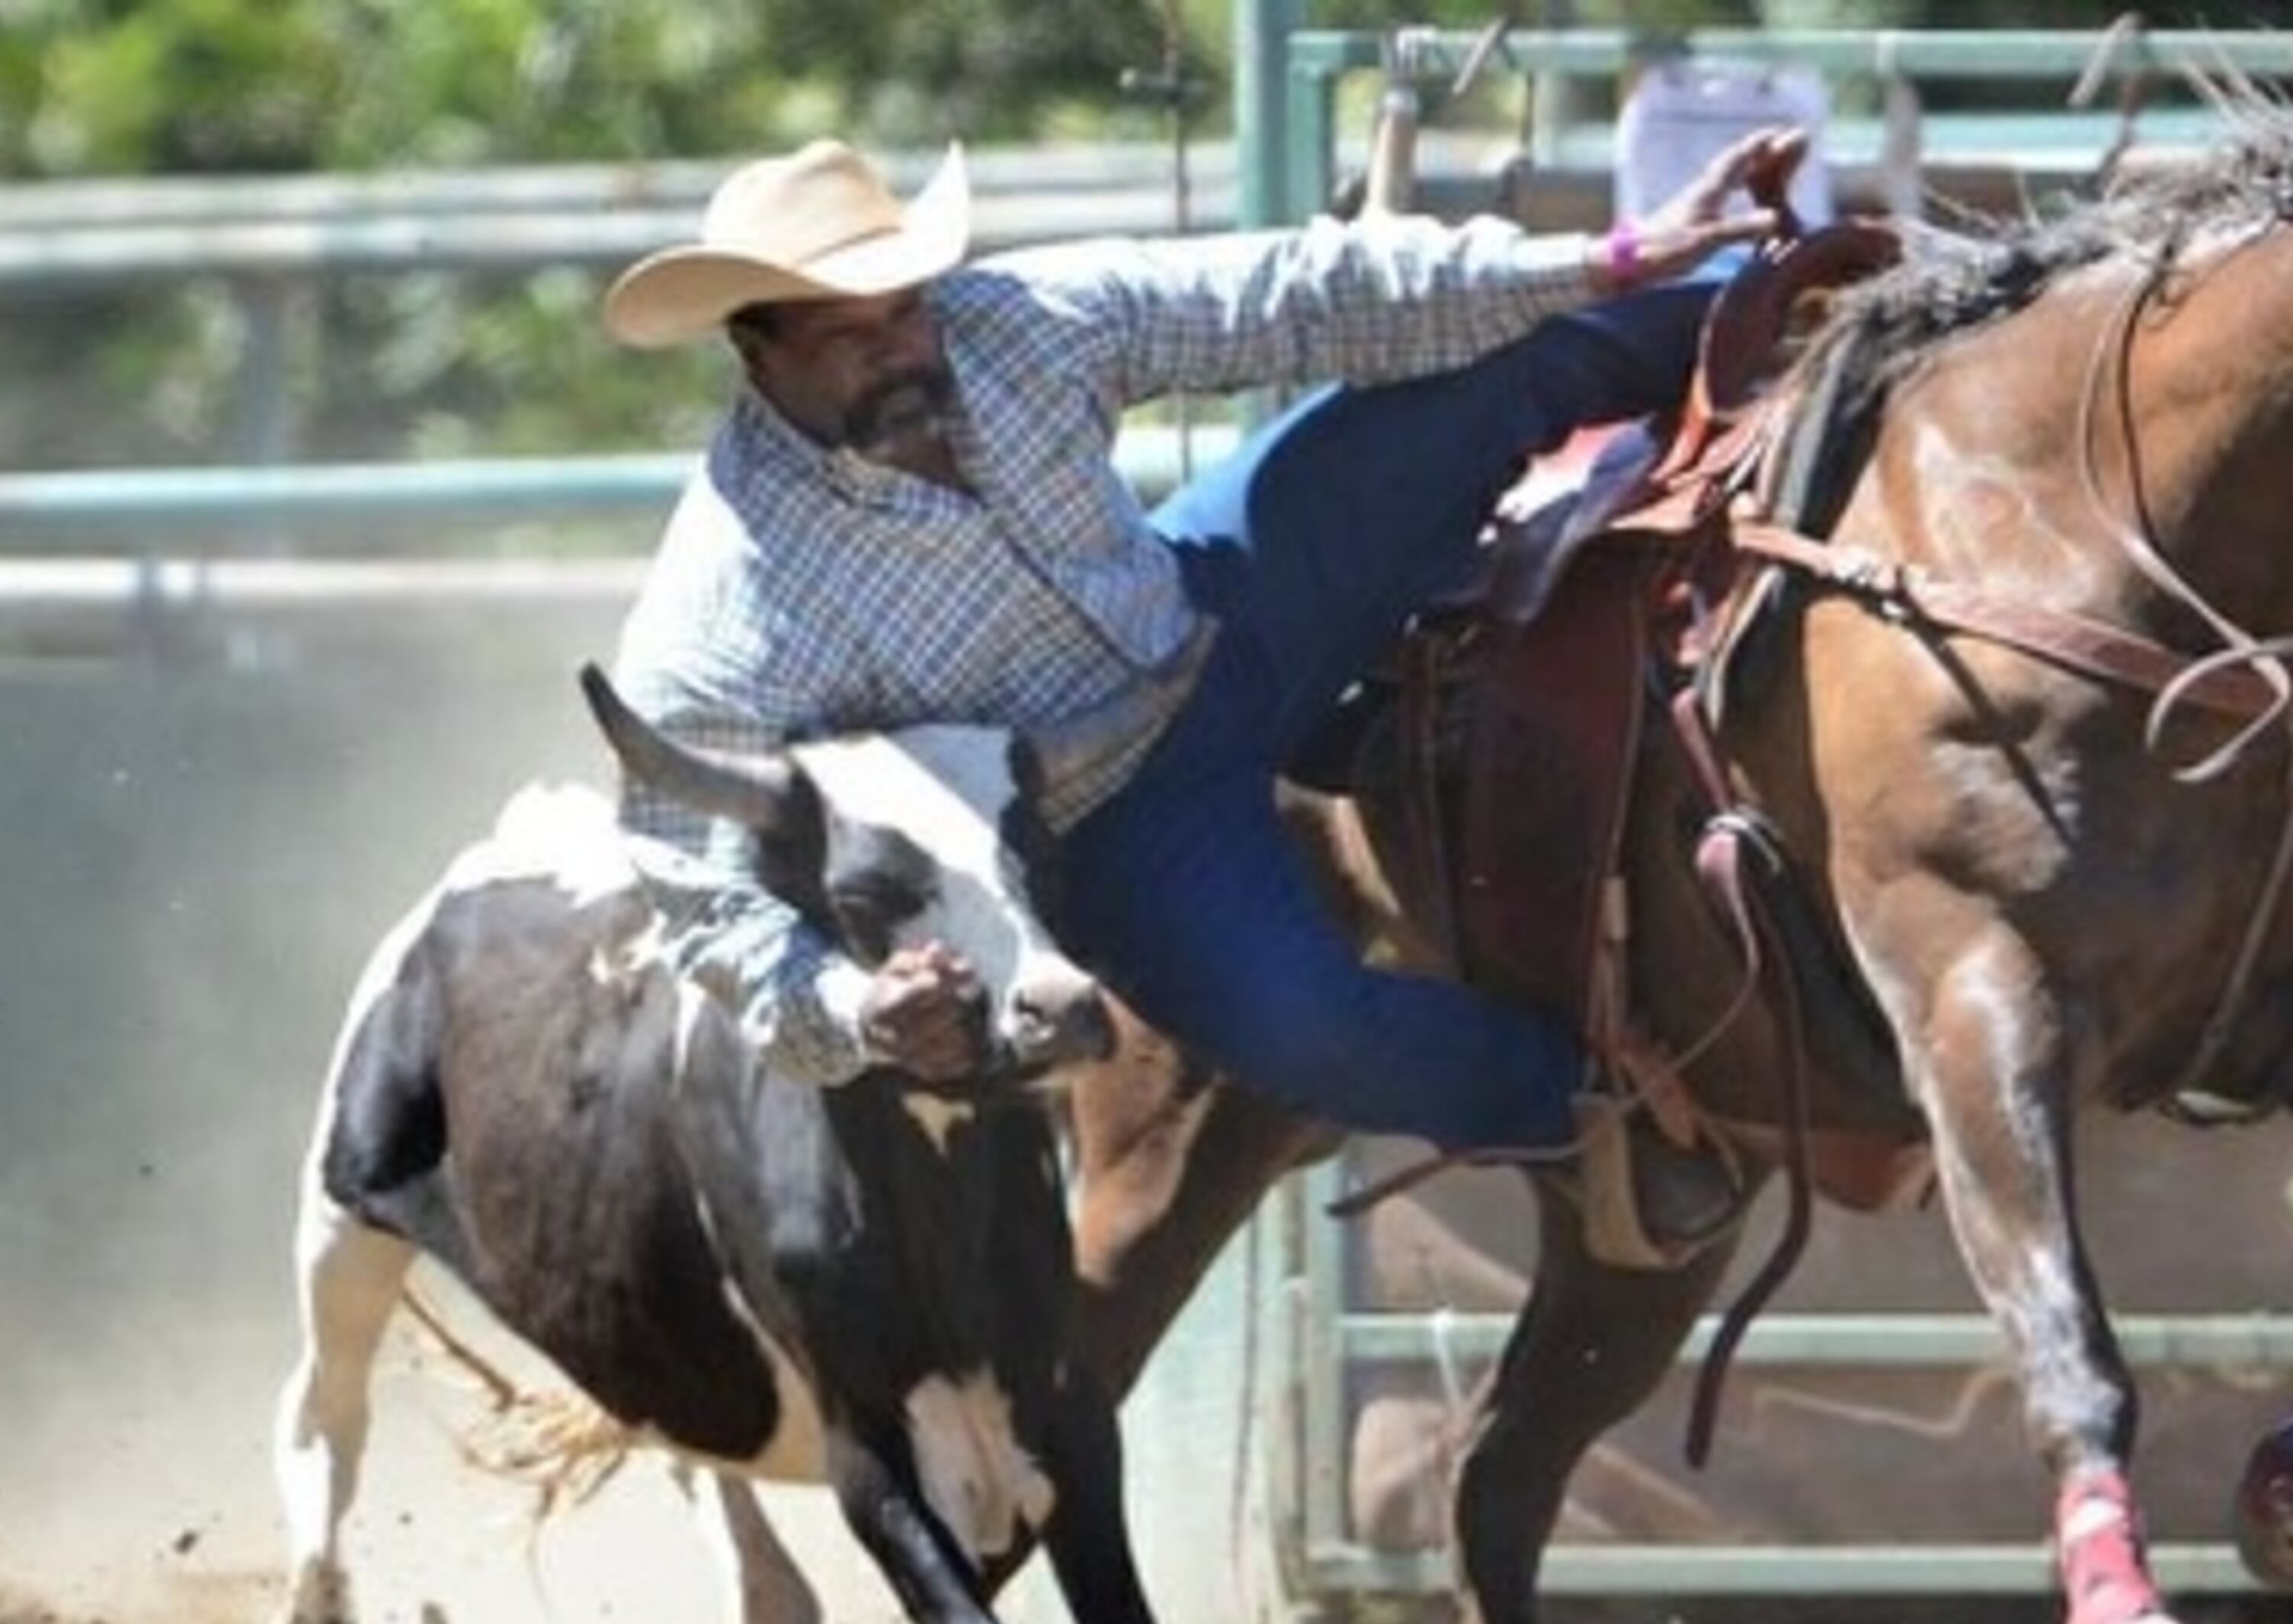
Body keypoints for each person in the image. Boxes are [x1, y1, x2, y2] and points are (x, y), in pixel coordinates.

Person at [599, 126, 1806, 1264]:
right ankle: (1588, 1107)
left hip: (1218, 605)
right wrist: (857, 1010)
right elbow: (702, 894)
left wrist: (1613, 255)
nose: (904, 348)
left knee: (1510, 359)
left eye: (905, 309)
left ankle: (1810, 314)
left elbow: (1284, 294)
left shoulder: (1010, 325)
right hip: (1104, 819)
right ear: (755, 351)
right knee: (1306, 1029)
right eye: (847, 336)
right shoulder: (732, 600)